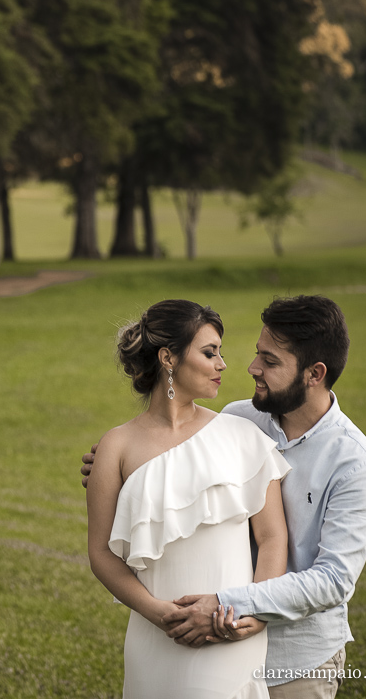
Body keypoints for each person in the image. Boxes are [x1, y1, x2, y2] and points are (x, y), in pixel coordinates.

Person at [82, 295, 366, 699]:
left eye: (270, 362)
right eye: (258, 354)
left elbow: (331, 580)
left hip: (298, 655)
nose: (249, 368)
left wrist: (242, 609)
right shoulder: (241, 418)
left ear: (315, 374)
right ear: (169, 359)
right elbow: (176, 467)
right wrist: (118, 477)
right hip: (168, 639)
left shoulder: (354, 462)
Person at [87, 299, 291, 699]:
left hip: (232, 631)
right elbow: (101, 555)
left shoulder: (244, 437)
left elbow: (272, 538)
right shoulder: (116, 447)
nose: (223, 364)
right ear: (168, 358)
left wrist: (257, 611)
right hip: (154, 639)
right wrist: (157, 612)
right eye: (209, 352)